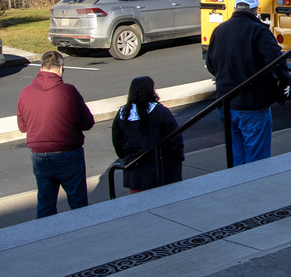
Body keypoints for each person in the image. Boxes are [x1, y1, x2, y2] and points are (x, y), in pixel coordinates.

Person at [206, 0, 291, 165]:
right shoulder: (259, 31)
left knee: (237, 157)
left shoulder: (219, 30)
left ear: (236, 8)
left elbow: (211, 65)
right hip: (252, 105)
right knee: (256, 162)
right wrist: (284, 83)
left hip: (226, 103)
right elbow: (277, 62)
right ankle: (254, 189)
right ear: (255, 10)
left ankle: (239, 189)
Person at [16, 50, 95, 218]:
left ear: (41, 68)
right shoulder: (68, 91)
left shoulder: (25, 92)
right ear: (60, 69)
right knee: (78, 203)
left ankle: (47, 240)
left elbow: (23, 127)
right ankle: (83, 237)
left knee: (45, 204)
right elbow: (87, 122)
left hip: (39, 155)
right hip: (68, 154)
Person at [112, 76, 184, 194]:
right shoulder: (161, 112)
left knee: (141, 207)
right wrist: (178, 157)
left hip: (135, 174)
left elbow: (117, 142)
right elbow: (175, 139)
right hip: (163, 170)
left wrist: (126, 157)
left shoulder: (122, 114)